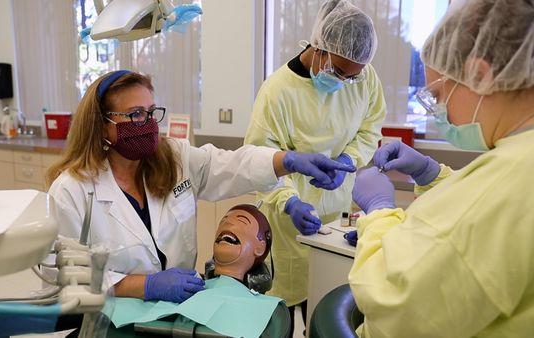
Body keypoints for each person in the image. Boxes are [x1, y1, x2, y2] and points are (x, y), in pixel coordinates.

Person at [46, 70, 356, 304]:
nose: (149, 123)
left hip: (176, 313)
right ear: (102, 124)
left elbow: (230, 166)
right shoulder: (73, 191)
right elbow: (62, 274)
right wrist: (142, 285)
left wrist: (286, 160)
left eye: (151, 112)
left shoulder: (176, 158)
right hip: (111, 321)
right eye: (135, 115)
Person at [350, 0, 534, 336]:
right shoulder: (519, 157)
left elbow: (392, 300)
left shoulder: (511, 176)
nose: (440, 113)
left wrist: (378, 213)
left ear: (480, 75)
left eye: (437, 96)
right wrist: (431, 174)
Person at [243, 0, 385, 331]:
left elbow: (371, 126)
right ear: (319, 47)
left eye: (354, 76)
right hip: (289, 222)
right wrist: (290, 201)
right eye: (339, 71)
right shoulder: (278, 91)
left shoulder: (363, 76)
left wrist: (347, 160)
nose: (346, 82)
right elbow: (260, 157)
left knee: (333, 309)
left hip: (339, 219)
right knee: (286, 313)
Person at [213, 204, 272, 282]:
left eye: (242, 221)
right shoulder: (197, 289)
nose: (227, 223)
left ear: (260, 248)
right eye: (222, 221)